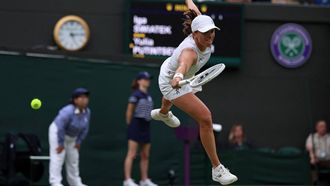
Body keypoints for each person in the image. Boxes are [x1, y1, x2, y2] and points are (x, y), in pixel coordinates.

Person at [150, 0, 238, 185]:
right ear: (195, 34)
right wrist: (178, 77)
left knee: (175, 101)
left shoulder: (199, 24)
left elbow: (193, 9)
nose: (210, 35)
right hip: (171, 80)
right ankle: (217, 169)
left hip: (171, 68)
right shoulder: (190, 52)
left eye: (212, 31)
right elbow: (183, 64)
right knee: (205, 117)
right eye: (206, 33)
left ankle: (163, 113)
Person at [49, 88, 91, 186]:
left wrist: (79, 141)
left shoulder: (87, 112)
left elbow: (85, 128)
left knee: (73, 159)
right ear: (75, 100)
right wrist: (60, 143)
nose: (85, 100)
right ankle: (55, 183)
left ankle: (76, 183)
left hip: (73, 138)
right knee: (58, 157)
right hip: (58, 133)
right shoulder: (67, 111)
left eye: (86, 98)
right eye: (82, 98)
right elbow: (60, 128)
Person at [123, 72, 157, 186]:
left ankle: (144, 180)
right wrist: (130, 126)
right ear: (139, 81)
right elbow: (129, 111)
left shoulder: (148, 95)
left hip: (146, 126)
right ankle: (127, 180)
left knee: (145, 155)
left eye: (148, 79)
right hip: (135, 125)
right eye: (145, 79)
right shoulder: (136, 95)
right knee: (132, 154)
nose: (147, 81)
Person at [306, 120, 330, 185]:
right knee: (311, 163)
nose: (323, 128)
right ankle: (315, 182)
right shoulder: (312, 137)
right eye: (321, 126)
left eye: (325, 126)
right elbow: (309, 149)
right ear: (317, 128)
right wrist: (312, 157)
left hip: (328, 160)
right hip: (317, 160)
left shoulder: (329, 137)